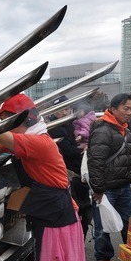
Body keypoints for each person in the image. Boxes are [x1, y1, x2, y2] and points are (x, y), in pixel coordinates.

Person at [0, 94, 91, 261]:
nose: (4, 126)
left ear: (21, 120)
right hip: (51, 215)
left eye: (7, 121)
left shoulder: (38, 143)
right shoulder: (33, 139)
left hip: (57, 221)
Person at [87, 93, 131, 261]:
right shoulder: (103, 130)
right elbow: (96, 162)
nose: (130, 112)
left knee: (129, 223)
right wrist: (99, 189)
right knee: (102, 226)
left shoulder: (127, 130)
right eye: (126, 108)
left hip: (124, 186)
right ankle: (103, 257)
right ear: (114, 108)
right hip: (106, 189)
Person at [47, 96, 93, 239]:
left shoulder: (70, 124)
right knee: (75, 211)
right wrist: (84, 149)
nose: (67, 112)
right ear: (55, 111)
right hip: (67, 175)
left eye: (69, 108)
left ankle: (78, 240)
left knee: (81, 211)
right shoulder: (55, 128)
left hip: (76, 174)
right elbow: (67, 151)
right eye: (64, 109)